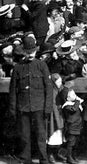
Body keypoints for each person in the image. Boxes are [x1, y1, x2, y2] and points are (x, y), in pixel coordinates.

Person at [9, 36, 54, 164]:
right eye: (28, 52)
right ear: (23, 51)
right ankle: (25, 159)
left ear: (36, 50)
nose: (30, 55)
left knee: (41, 135)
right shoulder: (18, 68)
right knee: (24, 136)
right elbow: (13, 90)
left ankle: (43, 159)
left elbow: (48, 88)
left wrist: (48, 107)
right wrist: (13, 109)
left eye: (32, 52)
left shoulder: (42, 65)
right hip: (23, 107)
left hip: (39, 107)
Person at [59, 89, 84, 164]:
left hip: (77, 126)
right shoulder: (67, 106)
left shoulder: (75, 103)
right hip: (71, 127)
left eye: (75, 94)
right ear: (67, 98)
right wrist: (77, 101)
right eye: (73, 95)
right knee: (71, 143)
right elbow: (74, 109)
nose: (75, 96)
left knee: (76, 143)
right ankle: (69, 157)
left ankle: (73, 156)